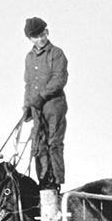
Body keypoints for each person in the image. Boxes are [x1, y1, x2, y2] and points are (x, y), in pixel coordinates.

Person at [22, 17, 68, 191]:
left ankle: (55, 181)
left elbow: (59, 79)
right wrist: (27, 106)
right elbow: (28, 84)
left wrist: (41, 96)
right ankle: (43, 180)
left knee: (53, 143)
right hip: (36, 107)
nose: (40, 39)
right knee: (38, 144)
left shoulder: (56, 54)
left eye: (42, 34)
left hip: (54, 105)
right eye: (36, 37)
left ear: (47, 32)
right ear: (30, 39)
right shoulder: (29, 58)